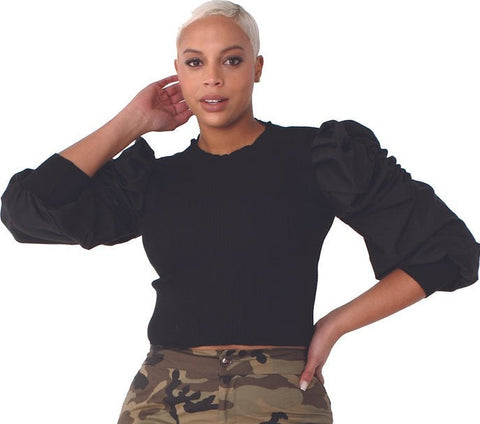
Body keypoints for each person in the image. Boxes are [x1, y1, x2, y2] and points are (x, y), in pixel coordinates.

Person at [1, 1, 479, 423]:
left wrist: (333, 325)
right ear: (178, 72)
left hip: (283, 394)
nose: (212, 77)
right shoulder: (152, 180)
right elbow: (25, 211)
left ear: (257, 67)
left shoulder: (318, 156)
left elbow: (449, 251)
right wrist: (131, 122)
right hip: (163, 397)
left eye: (231, 60)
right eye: (195, 63)